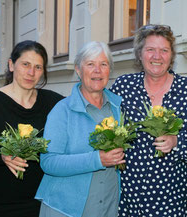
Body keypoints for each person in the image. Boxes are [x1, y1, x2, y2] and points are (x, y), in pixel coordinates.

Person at [110, 24, 187, 216]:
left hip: (174, 195)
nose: (157, 56)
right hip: (130, 194)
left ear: (171, 56)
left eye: (164, 50)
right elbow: (109, 128)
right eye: (150, 50)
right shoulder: (123, 86)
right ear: (140, 54)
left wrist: (177, 141)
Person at [0, 40, 64, 217]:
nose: (31, 73)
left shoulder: (54, 103)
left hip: (41, 202)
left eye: (38, 67)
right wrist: (1, 155)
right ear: (11, 65)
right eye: (25, 64)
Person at [35, 41, 124, 217]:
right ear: (78, 69)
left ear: (110, 70)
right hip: (65, 209)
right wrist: (97, 159)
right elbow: (49, 162)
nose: (97, 70)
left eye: (103, 64)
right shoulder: (62, 111)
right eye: (90, 64)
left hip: (108, 207)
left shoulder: (117, 108)